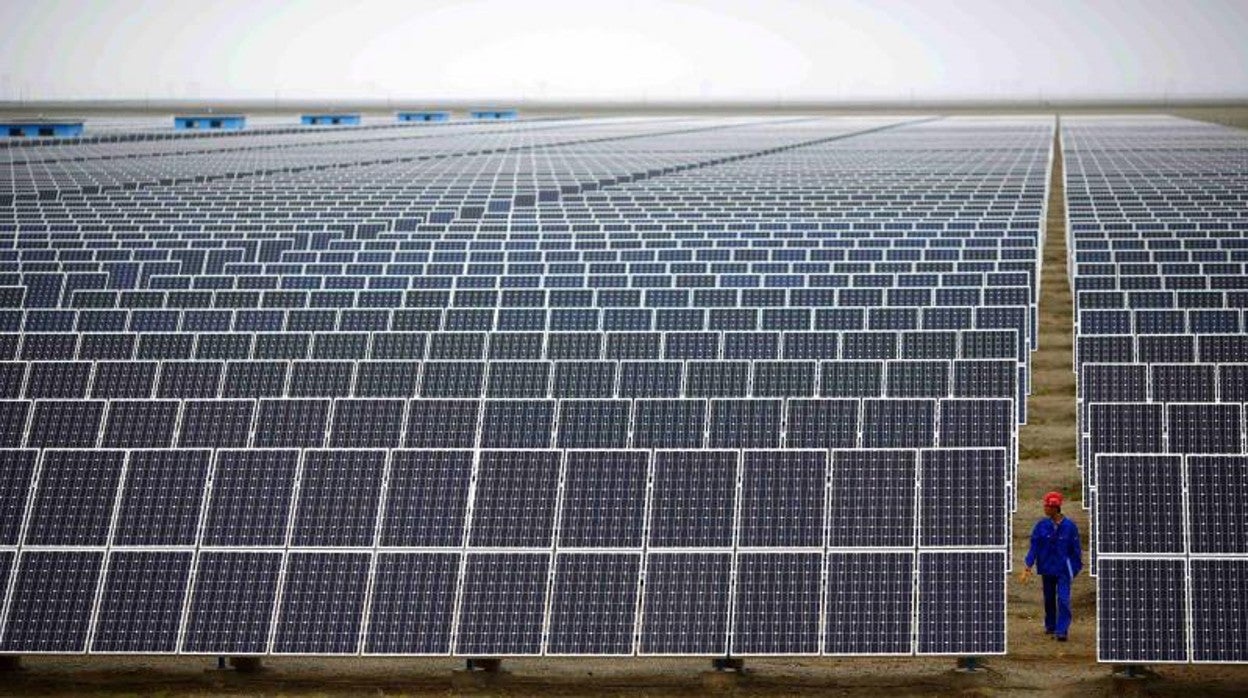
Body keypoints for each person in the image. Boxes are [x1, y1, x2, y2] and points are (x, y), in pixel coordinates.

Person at [1020, 491, 1082, 641]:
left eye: (1047, 506)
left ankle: (1062, 631)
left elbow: (1076, 549)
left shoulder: (1069, 527)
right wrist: (1028, 564)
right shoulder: (1041, 526)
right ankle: (1051, 626)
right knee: (1049, 599)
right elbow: (1034, 546)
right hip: (1047, 568)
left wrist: (1074, 568)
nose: (1045, 508)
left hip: (1063, 570)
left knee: (1063, 599)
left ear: (1055, 508)